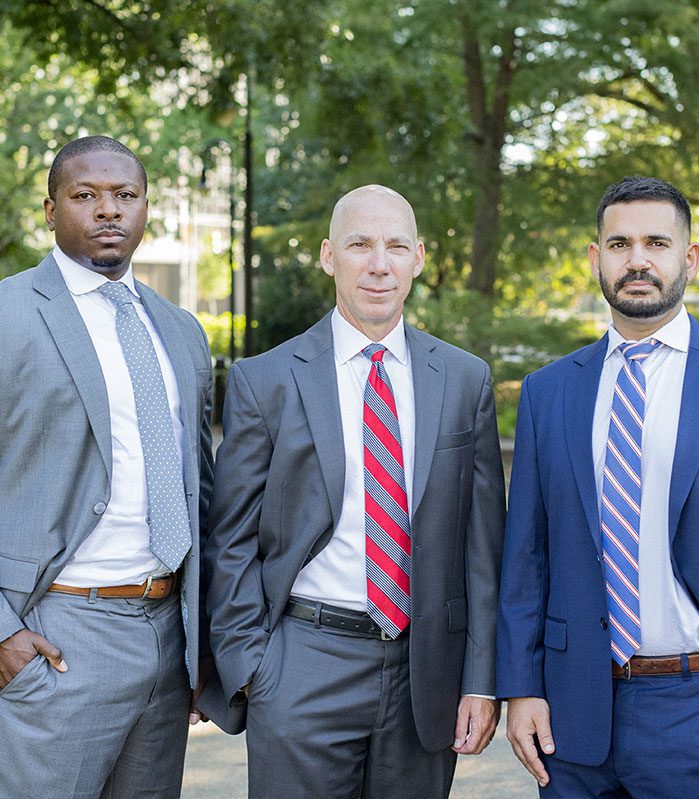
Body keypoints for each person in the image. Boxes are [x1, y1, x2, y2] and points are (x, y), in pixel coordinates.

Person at [0, 135, 225, 797]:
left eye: (125, 196)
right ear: (51, 210)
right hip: (54, 635)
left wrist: (201, 640)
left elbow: (202, 492)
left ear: (145, 208)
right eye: (86, 196)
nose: (109, 211)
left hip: (165, 640)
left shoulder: (181, 331)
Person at [497, 176, 699, 798]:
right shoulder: (549, 392)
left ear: (689, 258)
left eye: (657, 242)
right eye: (619, 244)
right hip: (573, 718)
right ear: (596, 259)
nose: (638, 260)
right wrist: (522, 687)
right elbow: (527, 556)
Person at [204, 184, 506, 798]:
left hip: (426, 673)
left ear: (419, 257)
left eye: (396, 246)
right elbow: (229, 538)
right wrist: (251, 670)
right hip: (301, 665)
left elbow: (482, 550)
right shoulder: (266, 382)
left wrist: (480, 680)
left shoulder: (464, 380)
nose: (379, 263)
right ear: (327, 256)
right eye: (360, 245)